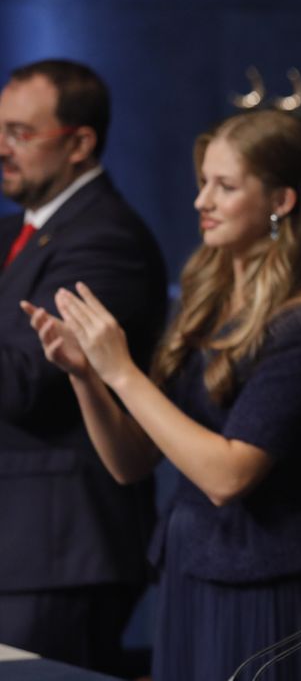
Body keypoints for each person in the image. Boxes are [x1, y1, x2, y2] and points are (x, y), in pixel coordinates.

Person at [25, 109, 301, 681]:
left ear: (281, 200)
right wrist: (86, 374)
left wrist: (122, 371)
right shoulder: (208, 303)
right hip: (189, 573)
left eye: (224, 187)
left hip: (264, 588)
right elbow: (131, 463)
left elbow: (228, 477)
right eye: (203, 182)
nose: (202, 200)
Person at [0, 59, 166, 673]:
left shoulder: (105, 240)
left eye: (20, 133)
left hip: (55, 553)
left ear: (80, 143)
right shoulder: (18, 233)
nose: (1, 149)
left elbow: (24, 382)